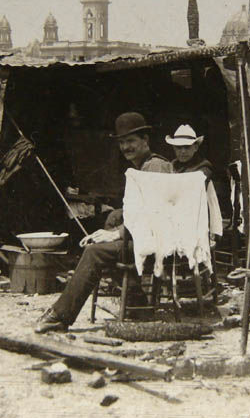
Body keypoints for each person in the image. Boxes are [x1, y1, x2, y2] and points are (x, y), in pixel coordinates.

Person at [35, 112, 172, 333]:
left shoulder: (155, 167)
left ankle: (59, 316)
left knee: (95, 252)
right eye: (122, 142)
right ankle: (137, 304)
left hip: (159, 240)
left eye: (131, 141)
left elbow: (155, 214)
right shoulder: (142, 167)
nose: (126, 147)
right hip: (147, 237)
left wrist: (118, 233)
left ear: (145, 141)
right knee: (112, 218)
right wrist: (118, 221)